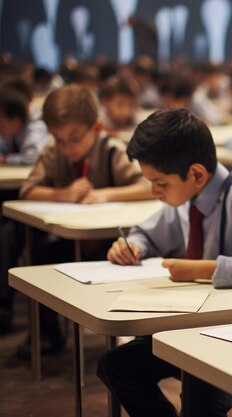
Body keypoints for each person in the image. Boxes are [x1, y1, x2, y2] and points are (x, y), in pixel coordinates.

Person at [97, 108, 232, 417]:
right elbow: (149, 233)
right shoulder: (184, 199)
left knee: (200, 401)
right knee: (115, 366)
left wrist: (203, 269)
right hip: (189, 326)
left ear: (197, 174)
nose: (153, 191)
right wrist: (132, 245)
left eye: (160, 183)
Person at [7, 84, 151, 352]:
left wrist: (105, 194)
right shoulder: (53, 151)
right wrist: (62, 194)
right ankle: (47, 334)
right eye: (59, 139)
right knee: (41, 260)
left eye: (74, 139)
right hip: (70, 241)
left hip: (110, 245)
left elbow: (147, 186)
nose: (67, 147)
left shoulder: (111, 150)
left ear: (95, 129)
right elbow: (29, 189)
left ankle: (126, 339)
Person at [0, 84, 48, 166]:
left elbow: (35, 156)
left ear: (15, 120)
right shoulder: (11, 132)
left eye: (1, 125)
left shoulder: (34, 129)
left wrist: (6, 159)